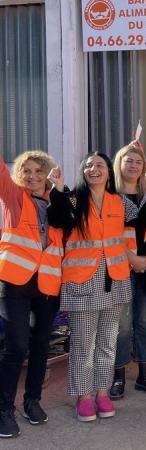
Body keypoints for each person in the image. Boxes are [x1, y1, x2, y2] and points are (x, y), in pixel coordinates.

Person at [47, 153, 146, 422]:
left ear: (109, 172)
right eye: (88, 165)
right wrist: (57, 188)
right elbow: (58, 219)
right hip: (82, 282)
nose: (93, 169)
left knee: (107, 343)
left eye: (99, 165)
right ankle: (83, 397)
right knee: (84, 345)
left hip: (115, 280)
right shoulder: (73, 198)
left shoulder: (118, 201)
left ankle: (102, 392)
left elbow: (142, 218)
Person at [0, 151, 63, 438]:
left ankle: (32, 402)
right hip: (14, 282)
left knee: (41, 345)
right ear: (18, 173)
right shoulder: (14, 196)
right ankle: (4, 410)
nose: (33, 176)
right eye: (26, 170)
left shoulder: (57, 202)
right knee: (16, 345)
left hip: (47, 285)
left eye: (39, 171)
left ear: (48, 173)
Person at [110, 142, 146, 399]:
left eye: (138, 162)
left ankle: (144, 375)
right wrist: (131, 258)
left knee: (144, 321)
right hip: (120, 266)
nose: (133, 165)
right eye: (128, 160)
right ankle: (118, 376)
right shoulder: (109, 195)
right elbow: (113, 231)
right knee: (122, 325)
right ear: (119, 164)